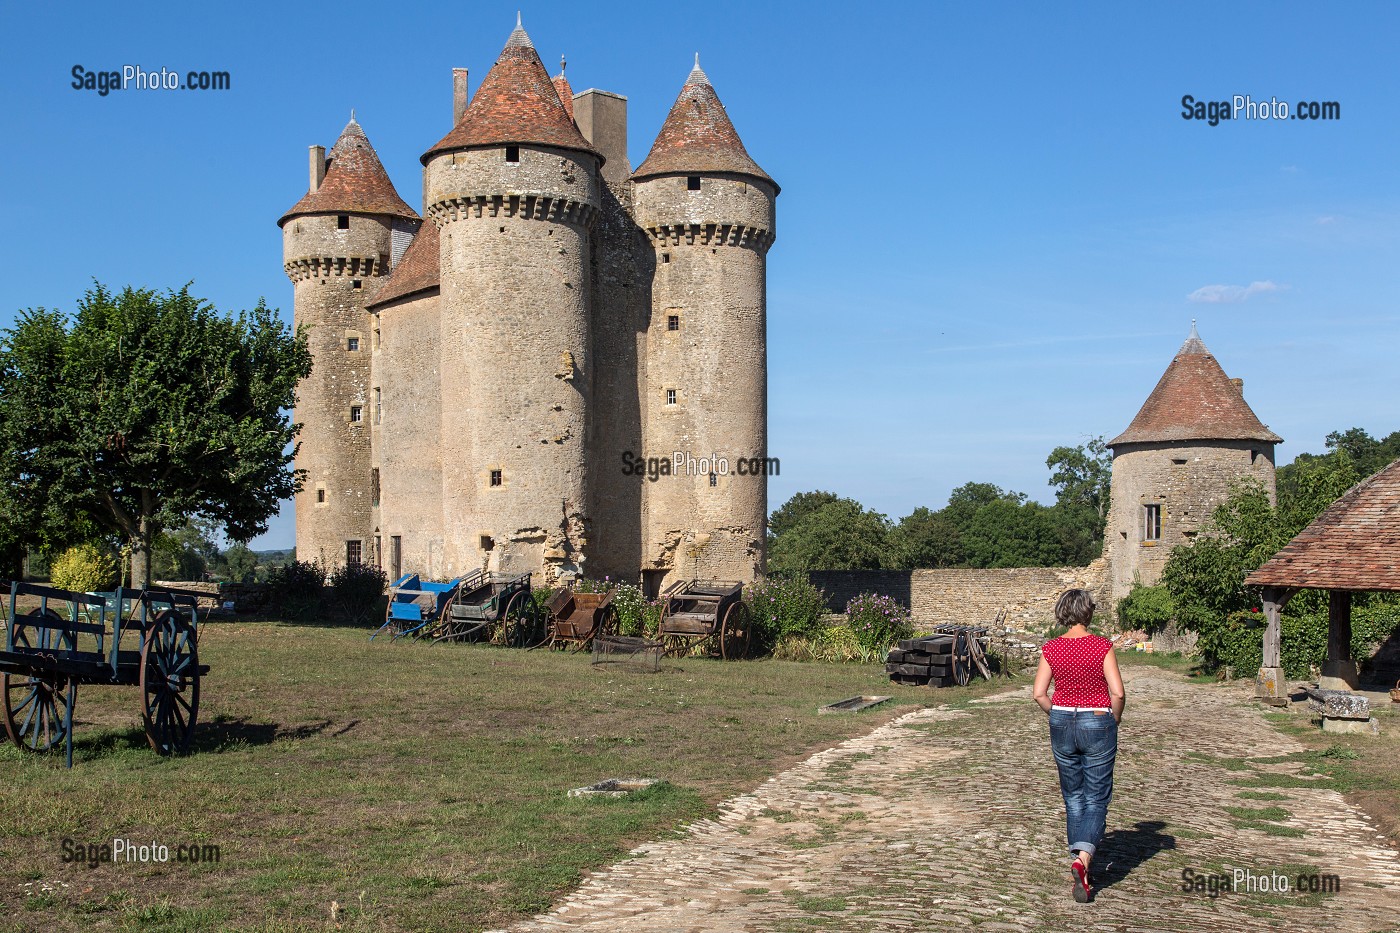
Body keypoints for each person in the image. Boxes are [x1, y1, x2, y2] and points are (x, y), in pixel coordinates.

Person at [1032, 588, 1125, 903]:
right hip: (1097, 719)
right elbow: (1118, 693)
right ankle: (1083, 861)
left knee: (1073, 796)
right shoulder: (1101, 646)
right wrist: (1114, 719)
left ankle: (1080, 861)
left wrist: (1057, 714)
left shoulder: (1052, 648)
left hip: (1061, 720)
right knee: (1097, 798)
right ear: (1089, 613)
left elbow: (1039, 693)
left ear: (1062, 613)